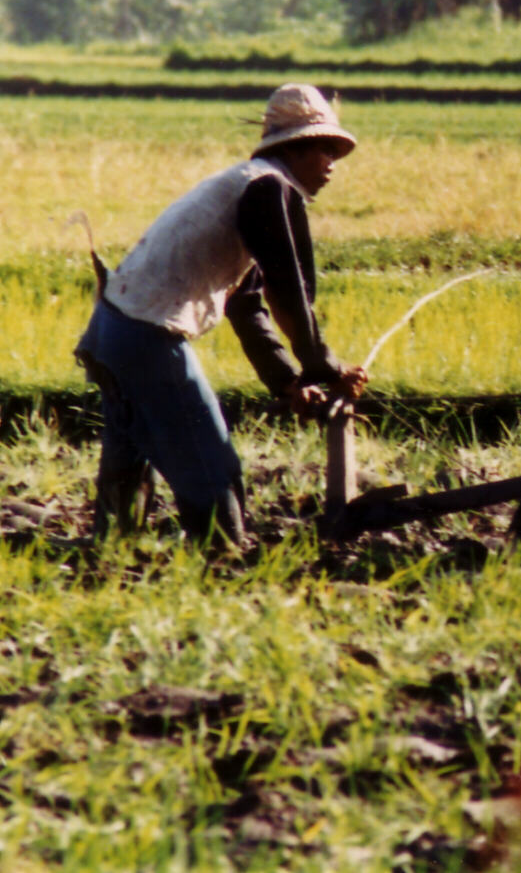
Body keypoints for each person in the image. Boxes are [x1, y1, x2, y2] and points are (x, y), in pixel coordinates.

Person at [75, 83, 369, 548]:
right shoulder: (267, 189)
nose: (331, 163)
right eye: (322, 149)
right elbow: (288, 296)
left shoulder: (247, 186)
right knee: (213, 469)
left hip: (110, 334)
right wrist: (326, 368)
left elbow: (246, 304)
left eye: (334, 151)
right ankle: (224, 565)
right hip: (148, 339)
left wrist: (290, 381)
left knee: (127, 467)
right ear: (293, 150)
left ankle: (109, 562)